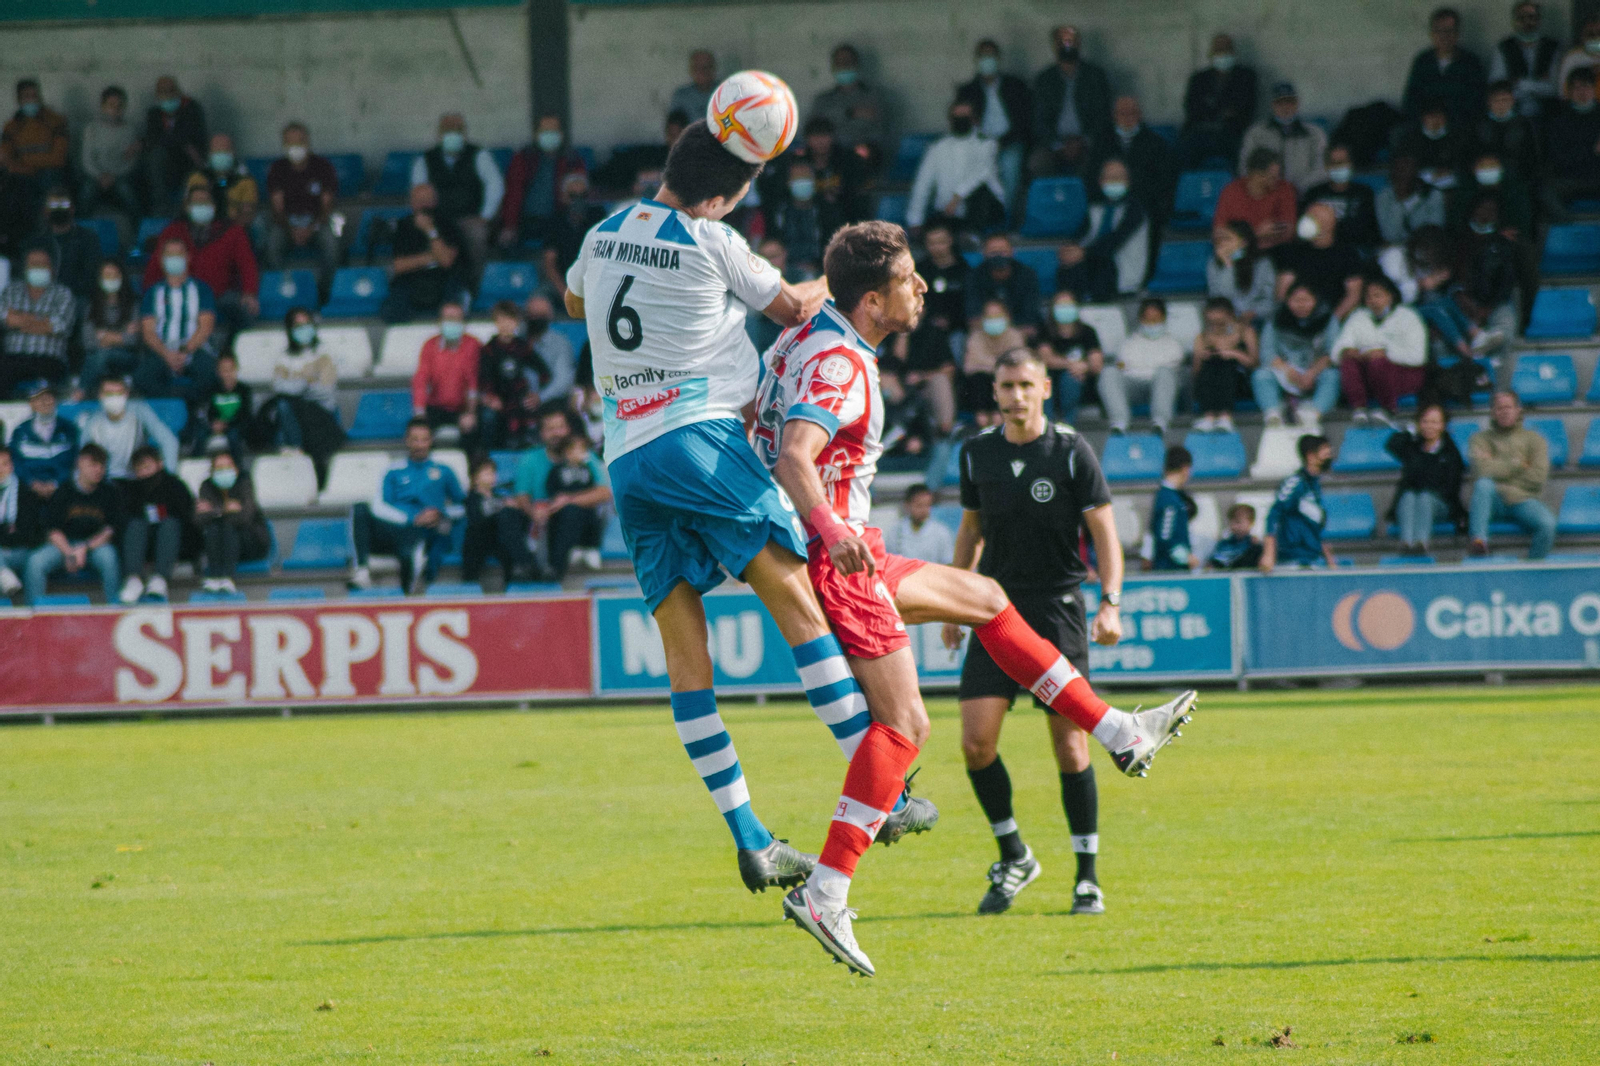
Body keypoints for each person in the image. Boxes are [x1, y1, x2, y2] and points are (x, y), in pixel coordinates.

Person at [760, 226, 1195, 972]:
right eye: (909, 280)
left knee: (987, 596)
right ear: (872, 300)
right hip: (838, 557)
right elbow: (796, 453)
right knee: (904, 727)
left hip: (836, 549)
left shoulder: (809, 335)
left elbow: (756, 423)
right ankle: (827, 891)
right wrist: (829, 530)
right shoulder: (836, 359)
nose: (924, 289)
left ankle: (1121, 731)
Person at [564, 119, 876, 896]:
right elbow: (795, 308)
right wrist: (844, 277)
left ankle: (752, 839)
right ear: (719, 197)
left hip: (626, 457)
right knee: (792, 594)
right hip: (698, 436)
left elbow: (575, 302)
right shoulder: (711, 240)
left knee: (684, 653)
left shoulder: (604, 232)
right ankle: (884, 787)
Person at [349, 418, 465, 594]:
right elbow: (379, 505)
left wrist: (440, 513)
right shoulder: (393, 470)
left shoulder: (444, 471)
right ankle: (362, 571)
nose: (419, 444)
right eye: (415, 439)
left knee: (411, 551)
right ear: (407, 440)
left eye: (424, 439)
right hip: (396, 527)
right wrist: (412, 518)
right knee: (360, 508)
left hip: (424, 531)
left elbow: (462, 506)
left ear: (431, 441)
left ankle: (410, 592)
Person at [143, 184, 259, 343]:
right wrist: (150, 297)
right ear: (187, 207)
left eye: (205, 202)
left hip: (220, 295)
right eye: (196, 203)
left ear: (214, 205)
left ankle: (230, 355)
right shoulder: (173, 231)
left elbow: (247, 264)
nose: (201, 207)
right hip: (181, 295)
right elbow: (155, 266)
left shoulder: (232, 232)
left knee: (245, 311)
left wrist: (249, 292)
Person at [410, 113, 503, 284]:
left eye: (457, 130)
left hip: (471, 219)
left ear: (465, 133)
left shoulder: (479, 155)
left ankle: (474, 285)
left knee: (477, 234)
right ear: (439, 134)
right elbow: (419, 192)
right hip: (437, 220)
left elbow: (495, 185)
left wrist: (484, 217)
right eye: (447, 130)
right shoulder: (425, 160)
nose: (452, 134)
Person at [25, 441, 121, 603]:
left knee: (109, 557)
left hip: (93, 547)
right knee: (35, 561)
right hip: (63, 545)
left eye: (101, 466)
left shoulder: (109, 492)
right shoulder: (64, 490)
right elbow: (52, 530)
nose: (98, 470)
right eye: (93, 465)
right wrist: (69, 552)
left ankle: (114, 608)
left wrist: (85, 548)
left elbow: (109, 531)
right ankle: (34, 614)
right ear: (80, 464)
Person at [1467, 391, 1555, 559]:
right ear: (1493, 412)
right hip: (1493, 500)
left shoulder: (1535, 440)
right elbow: (1482, 471)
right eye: (1499, 408)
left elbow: (1538, 477)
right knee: (1483, 485)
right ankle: (1479, 543)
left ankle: (1533, 569)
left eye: (1509, 407)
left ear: (1518, 410)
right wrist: (1517, 465)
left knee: (1548, 524)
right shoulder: (1479, 439)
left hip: (1523, 499)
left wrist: (1499, 472)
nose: (1505, 411)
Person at [955, 39, 1033, 220]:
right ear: (976, 59)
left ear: (998, 59)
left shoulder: (1016, 86)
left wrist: (1002, 142)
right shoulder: (967, 91)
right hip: (979, 144)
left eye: (991, 55)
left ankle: (1007, 218)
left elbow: (1024, 122)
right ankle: (971, 220)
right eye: (983, 56)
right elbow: (962, 125)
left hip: (1010, 142)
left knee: (1010, 165)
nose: (987, 60)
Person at [904, 100, 1005, 236]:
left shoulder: (987, 143)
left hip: (984, 211)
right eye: (957, 117)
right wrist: (915, 220)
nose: (960, 121)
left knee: (981, 193)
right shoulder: (938, 147)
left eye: (965, 117)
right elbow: (923, 184)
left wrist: (957, 197)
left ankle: (972, 235)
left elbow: (982, 172)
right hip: (949, 213)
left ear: (974, 119)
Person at [1335, 274, 1427, 423]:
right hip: (1369, 374)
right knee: (1348, 361)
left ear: (1390, 296)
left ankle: (1388, 409)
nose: (1373, 301)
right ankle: (1359, 409)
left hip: (1404, 374)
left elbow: (1418, 356)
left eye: (1378, 296)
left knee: (1378, 362)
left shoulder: (1408, 316)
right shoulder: (1358, 316)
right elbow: (1339, 348)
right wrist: (1350, 351)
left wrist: (1385, 353)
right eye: (1369, 297)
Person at [136, 237, 218, 404]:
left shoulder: (202, 289)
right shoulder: (153, 293)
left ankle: (190, 408)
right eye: (169, 255)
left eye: (178, 254)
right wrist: (167, 355)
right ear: (161, 259)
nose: (174, 259)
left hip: (195, 349)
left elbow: (205, 327)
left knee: (210, 374)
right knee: (141, 377)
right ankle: (170, 405)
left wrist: (185, 351)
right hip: (162, 350)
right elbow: (148, 332)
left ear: (188, 257)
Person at [1056, 158, 1148, 303]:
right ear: (1101, 181)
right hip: (1092, 269)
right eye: (1110, 178)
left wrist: (1083, 252)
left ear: (1128, 181)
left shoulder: (1136, 210)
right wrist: (1069, 250)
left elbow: (1114, 241)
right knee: (1069, 264)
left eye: (1119, 178)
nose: (1114, 181)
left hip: (1122, 276)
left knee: (1100, 260)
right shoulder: (1095, 208)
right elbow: (1079, 237)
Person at [264, 122, 339, 294]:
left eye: (300, 142)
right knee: (272, 244)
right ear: (284, 145)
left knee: (331, 244)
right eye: (291, 142)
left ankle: (323, 292)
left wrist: (311, 228)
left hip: (316, 223)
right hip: (286, 224)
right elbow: (277, 208)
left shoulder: (322, 167)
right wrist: (292, 229)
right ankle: (286, 290)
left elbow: (327, 206)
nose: (296, 147)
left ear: (308, 142)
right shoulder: (277, 169)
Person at [1029, 25, 1113, 178]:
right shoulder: (1044, 79)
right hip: (1054, 144)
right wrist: (1058, 145)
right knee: (1037, 163)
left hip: (1087, 143)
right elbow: (1038, 121)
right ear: (1054, 46)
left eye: (1071, 41)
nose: (1067, 45)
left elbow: (1103, 117)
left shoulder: (1095, 76)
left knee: (1098, 163)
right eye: (1062, 41)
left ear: (1079, 44)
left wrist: (1083, 142)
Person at [116, 443, 195, 604]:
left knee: (170, 524)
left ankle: (160, 579)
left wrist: (154, 514)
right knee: (136, 525)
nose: (144, 472)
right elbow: (125, 517)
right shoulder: (130, 489)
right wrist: (155, 514)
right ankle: (133, 580)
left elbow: (183, 515)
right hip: (141, 544)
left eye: (147, 466)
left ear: (159, 464)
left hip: (173, 544)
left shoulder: (175, 485)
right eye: (139, 469)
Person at [1254, 282, 1341, 426]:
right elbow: (1267, 352)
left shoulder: (1328, 319)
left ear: (1315, 300)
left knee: (1333, 376)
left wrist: (1312, 372)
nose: (1301, 305)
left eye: (1306, 300)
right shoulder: (1276, 318)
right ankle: (1273, 413)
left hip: (1315, 370)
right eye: (1296, 300)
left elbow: (1333, 352)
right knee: (1261, 375)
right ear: (1288, 301)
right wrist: (1288, 370)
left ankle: (1313, 412)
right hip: (1285, 370)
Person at [499, 113, 590, 251]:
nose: (550, 135)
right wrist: (510, 225)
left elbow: (579, 191)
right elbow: (513, 193)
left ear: (561, 134)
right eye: (545, 131)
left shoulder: (572, 159)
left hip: (559, 220)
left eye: (554, 131)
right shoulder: (523, 158)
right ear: (536, 134)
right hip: (526, 220)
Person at [1386, 402, 1465, 555]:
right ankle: (1406, 543)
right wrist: (1410, 431)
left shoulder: (1450, 452)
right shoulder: (1413, 446)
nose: (1429, 426)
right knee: (1408, 496)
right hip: (1413, 501)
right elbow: (1392, 445)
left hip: (1440, 504)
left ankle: (1421, 544)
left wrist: (1426, 485)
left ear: (1442, 425)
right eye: (1425, 421)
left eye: (1434, 422)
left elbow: (1451, 488)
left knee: (1424, 497)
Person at [382, 183, 466, 324]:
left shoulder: (448, 223)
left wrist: (430, 230)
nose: (423, 205)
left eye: (427, 200)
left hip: (443, 281)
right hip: (411, 282)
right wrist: (433, 257)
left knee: (454, 313)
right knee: (391, 313)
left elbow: (446, 261)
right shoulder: (403, 226)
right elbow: (398, 266)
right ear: (412, 203)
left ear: (435, 202)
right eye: (419, 201)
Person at [1100, 297, 1182, 435]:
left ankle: (1160, 421)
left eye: (1155, 320)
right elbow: (1122, 366)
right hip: (1134, 386)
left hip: (1160, 387)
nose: (1151, 324)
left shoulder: (1174, 345)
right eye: (1148, 320)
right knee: (1109, 372)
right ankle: (1119, 421)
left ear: (1164, 319)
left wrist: (1140, 368)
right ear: (1140, 319)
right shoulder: (1128, 343)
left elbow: (1169, 369)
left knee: (1165, 373)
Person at [1179, 33, 1258, 170]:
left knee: (1246, 153)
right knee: (1183, 150)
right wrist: (1222, 112)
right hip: (1201, 132)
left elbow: (1245, 108)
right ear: (1211, 53)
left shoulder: (1246, 76)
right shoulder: (1199, 79)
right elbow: (1192, 108)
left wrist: (1212, 109)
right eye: (1218, 50)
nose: (1222, 54)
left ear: (1233, 52)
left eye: (1226, 49)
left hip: (1233, 133)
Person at [477, 300, 550, 449]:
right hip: (498, 397)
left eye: (510, 320)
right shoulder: (489, 350)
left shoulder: (522, 347)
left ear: (517, 322)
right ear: (495, 323)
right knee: (489, 416)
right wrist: (490, 397)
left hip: (518, 396)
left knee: (533, 411)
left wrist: (536, 394)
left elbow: (544, 371)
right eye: (501, 320)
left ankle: (528, 447)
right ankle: (490, 451)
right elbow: (483, 379)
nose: (506, 325)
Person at [1, 247, 74, 393]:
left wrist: (19, 319)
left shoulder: (63, 294)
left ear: (52, 269)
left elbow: (58, 326)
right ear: (25, 268)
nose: (38, 268)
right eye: (33, 264)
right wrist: (42, 322)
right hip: (13, 357)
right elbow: (4, 319)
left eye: (42, 264)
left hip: (48, 359)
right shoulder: (11, 291)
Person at [1274, 202, 1364, 321]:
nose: (1306, 221)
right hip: (1298, 314)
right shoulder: (1294, 251)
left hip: (1333, 315)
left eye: (1314, 217)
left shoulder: (1347, 253)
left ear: (1330, 224)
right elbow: (1282, 290)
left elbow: (1354, 294)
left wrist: (1332, 320)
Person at [194, 449, 267, 594]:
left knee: (228, 525)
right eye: (219, 468)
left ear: (236, 468)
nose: (224, 471)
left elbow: (245, 518)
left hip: (250, 542)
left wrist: (214, 510)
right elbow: (198, 519)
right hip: (219, 544)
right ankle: (214, 577)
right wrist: (224, 509)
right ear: (212, 471)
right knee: (214, 527)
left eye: (228, 467)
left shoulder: (244, 483)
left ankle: (227, 577)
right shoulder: (207, 486)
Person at [1259, 434, 1335, 572]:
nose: (1330, 455)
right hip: (1291, 561)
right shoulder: (1295, 482)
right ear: (1311, 456)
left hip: (1311, 560)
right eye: (1325, 451)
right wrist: (1269, 553)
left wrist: (1329, 559)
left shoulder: (1315, 486)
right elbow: (1274, 513)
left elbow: (1314, 526)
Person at [461, 457, 541, 586]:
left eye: (493, 473)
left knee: (510, 521)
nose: (492, 477)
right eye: (487, 474)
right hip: (479, 539)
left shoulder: (500, 497)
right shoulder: (472, 498)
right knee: (505, 516)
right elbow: (477, 518)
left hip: (500, 539)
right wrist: (503, 506)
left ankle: (520, 572)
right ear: (475, 478)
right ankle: (526, 563)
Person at [79, 375, 178, 479]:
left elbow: (169, 441)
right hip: (105, 483)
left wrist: (169, 478)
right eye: (109, 394)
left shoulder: (140, 412)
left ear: (126, 394)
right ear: (100, 395)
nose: (114, 397)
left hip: (136, 479)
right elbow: (84, 458)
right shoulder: (92, 422)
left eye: (118, 393)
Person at [1402, 7, 1488, 127]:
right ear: (1432, 34)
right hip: (1426, 127)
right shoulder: (1423, 61)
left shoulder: (1471, 62)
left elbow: (1477, 102)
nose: (1444, 36)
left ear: (1457, 33)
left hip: (1459, 127)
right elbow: (1411, 99)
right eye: (1439, 31)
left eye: (1449, 30)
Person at [1238, 82, 1327, 193]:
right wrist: (1265, 186)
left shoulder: (1314, 133)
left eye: (1289, 102)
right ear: (1272, 105)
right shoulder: (1256, 133)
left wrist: (1297, 189)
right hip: (1265, 195)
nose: (1285, 107)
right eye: (1280, 103)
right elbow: (1245, 167)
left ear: (1297, 104)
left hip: (1304, 194)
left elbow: (1321, 168)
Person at [810, 44, 888, 170]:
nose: (844, 65)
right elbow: (815, 128)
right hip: (830, 154)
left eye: (848, 61)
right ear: (833, 67)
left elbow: (879, 126)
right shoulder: (823, 100)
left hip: (865, 154)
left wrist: (837, 116)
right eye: (839, 62)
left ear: (857, 64)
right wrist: (851, 112)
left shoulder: (874, 96)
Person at [411, 301, 480, 441]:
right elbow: (421, 380)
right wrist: (420, 413)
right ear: (440, 322)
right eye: (448, 319)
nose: (452, 323)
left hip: (463, 407)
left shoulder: (473, 345)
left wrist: (470, 413)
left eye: (456, 319)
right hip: (436, 407)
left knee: (473, 430)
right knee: (419, 433)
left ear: (463, 323)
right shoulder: (430, 346)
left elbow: (473, 383)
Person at [543, 432, 609, 576]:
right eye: (576, 449)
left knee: (594, 514)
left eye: (582, 450)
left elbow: (594, 492)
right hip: (564, 513)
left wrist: (572, 498)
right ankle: (560, 562)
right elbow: (553, 491)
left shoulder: (588, 470)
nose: (580, 453)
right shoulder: (557, 470)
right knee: (566, 517)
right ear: (567, 451)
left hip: (586, 511)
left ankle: (588, 547)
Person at [1034, 291, 1102, 423]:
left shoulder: (1087, 331)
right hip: (1052, 381)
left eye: (1068, 305)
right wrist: (1074, 364)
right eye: (1061, 306)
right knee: (1043, 379)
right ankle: (1048, 424)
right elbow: (1046, 358)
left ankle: (1067, 424)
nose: (1065, 309)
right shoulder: (1045, 331)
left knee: (1072, 378)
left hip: (1080, 383)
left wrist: (1085, 366)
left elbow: (1097, 363)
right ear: (1053, 309)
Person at [2, 79, 70, 211]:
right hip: (22, 172)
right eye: (27, 97)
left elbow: (58, 158)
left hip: (50, 172)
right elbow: (6, 158)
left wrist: (24, 162)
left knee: (52, 183)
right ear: (19, 100)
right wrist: (23, 167)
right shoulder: (11, 126)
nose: (32, 100)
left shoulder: (56, 121)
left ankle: (56, 224)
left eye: (35, 96)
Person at [1192, 296, 1257, 433]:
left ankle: (1225, 416)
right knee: (1213, 362)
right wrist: (1201, 355)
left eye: (1220, 323)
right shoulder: (1203, 337)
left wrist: (1234, 354)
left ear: (1231, 317)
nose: (1215, 326)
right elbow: (1196, 371)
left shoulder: (1245, 332)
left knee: (1225, 363)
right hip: (1211, 381)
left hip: (1238, 380)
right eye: (1211, 323)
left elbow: (1254, 363)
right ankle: (1209, 416)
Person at [78, 86, 140, 227]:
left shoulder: (130, 130)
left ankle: (136, 233)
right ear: (103, 106)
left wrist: (113, 176)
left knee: (129, 194)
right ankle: (82, 230)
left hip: (120, 176)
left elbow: (130, 161)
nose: (115, 109)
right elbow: (87, 159)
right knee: (86, 193)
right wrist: (100, 176)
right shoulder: (91, 129)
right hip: (95, 176)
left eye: (119, 105)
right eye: (111, 105)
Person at [1541, 69, 1600, 218]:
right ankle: (1571, 223)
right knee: (1545, 191)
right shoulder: (1558, 118)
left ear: (1594, 89)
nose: (1582, 92)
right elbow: (1557, 156)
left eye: (1586, 86)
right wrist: (1591, 150)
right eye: (1576, 87)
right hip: (1570, 178)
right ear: (1569, 91)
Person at [1301, 144, 1381, 251]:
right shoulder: (1314, 193)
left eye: (1342, 162)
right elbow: (1305, 230)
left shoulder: (1364, 193)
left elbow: (1368, 231)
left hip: (1352, 251)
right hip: (1318, 251)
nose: (1338, 166)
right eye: (1333, 163)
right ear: (1326, 165)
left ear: (1351, 164)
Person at [1214, 148, 1297, 251]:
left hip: (1274, 251)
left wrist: (1274, 232)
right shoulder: (1231, 191)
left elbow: (1289, 230)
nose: (1277, 179)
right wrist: (1256, 234)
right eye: (1272, 177)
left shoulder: (1284, 188)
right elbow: (1219, 233)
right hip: (1241, 251)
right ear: (1257, 175)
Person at [143, 76, 207, 209]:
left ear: (178, 91)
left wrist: (171, 139)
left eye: (171, 90)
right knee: (154, 158)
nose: (167, 95)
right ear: (157, 94)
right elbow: (152, 139)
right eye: (163, 91)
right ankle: (160, 209)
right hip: (167, 164)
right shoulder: (154, 113)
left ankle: (186, 211)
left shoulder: (192, 108)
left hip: (189, 161)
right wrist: (179, 141)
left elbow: (192, 135)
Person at [1490, 1, 1561, 117]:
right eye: (1521, 17)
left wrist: (1521, 84)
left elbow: (1555, 88)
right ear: (1514, 21)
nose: (1526, 22)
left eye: (1531, 17)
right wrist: (1539, 85)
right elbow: (1497, 86)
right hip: (1513, 115)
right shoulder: (1503, 48)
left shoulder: (1553, 47)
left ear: (1539, 20)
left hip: (1549, 114)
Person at [9, 380, 76, 500]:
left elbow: (74, 460)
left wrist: (56, 483)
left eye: (48, 397)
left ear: (55, 400)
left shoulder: (69, 429)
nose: (44, 402)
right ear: (31, 403)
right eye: (39, 398)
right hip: (28, 490)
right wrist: (31, 482)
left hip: (61, 490)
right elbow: (15, 461)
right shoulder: (20, 431)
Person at [34, 187, 101, 307]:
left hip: (76, 297)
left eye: (63, 204)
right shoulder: (37, 241)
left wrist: (62, 292)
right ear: (45, 211)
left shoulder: (88, 239)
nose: (58, 209)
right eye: (53, 205)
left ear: (72, 209)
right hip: (42, 297)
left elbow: (91, 277)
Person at [965, 232, 1041, 336]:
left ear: (1012, 252)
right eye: (993, 252)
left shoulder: (1027, 275)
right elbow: (974, 317)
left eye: (1003, 251)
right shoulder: (974, 276)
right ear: (984, 253)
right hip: (986, 332)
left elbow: (1030, 316)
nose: (998, 255)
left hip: (1020, 332)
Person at [1391, 98, 1472, 192]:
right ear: (1423, 118)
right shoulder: (1410, 138)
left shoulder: (1459, 137)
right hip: (1418, 183)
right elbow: (1403, 165)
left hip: (1450, 182)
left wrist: (1451, 171)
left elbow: (1465, 162)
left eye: (1439, 116)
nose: (1435, 120)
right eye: (1430, 116)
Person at [961, 300, 1025, 413]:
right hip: (981, 385)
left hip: (1007, 384)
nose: (993, 320)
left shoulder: (1015, 336)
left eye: (997, 316)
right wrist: (1000, 365)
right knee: (980, 380)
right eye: (989, 316)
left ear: (1007, 317)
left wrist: (985, 364)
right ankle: (981, 419)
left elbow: (1017, 365)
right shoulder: (975, 337)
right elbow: (969, 367)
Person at [1206, 220, 1275, 325]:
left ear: (1243, 242)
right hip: (1225, 319)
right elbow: (1219, 298)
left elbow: (1270, 300)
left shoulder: (1262, 263)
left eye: (1228, 239)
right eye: (1222, 239)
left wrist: (1254, 312)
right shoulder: (1214, 263)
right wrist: (1228, 265)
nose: (1222, 243)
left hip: (1256, 317)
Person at [187, 132, 259, 232]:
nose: (220, 155)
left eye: (224, 151)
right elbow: (187, 208)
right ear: (209, 153)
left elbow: (248, 212)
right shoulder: (197, 178)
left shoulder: (245, 180)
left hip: (234, 229)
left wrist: (227, 233)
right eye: (216, 151)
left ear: (233, 152)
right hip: (200, 228)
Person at [0, 448, 46, 600]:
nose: (0, 469)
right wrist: (8, 532)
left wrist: (7, 535)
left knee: (36, 562)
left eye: (5, 464)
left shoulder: (25, 492)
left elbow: (30, 533)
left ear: (12, 466)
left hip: (22, 550)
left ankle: (36, 613)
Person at [193, 350, 253, 459]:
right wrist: (213, 423)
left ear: (236, 369)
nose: (227, 374)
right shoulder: (212, 390)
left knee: (233, 435)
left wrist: (227, 424)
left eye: (231, 369)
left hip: (235, 425)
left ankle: (238, 466)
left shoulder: (244, 390)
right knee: (200, 434)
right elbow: (208, 410)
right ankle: (196, 463)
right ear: (218, 372)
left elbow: (245, 414)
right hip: (216, 424)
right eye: (224, 370)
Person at [1375, 153, 1446, 246]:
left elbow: (1435, 231)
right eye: (1398, 166)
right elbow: (1390, 235)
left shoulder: (1433, 195)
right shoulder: (1383, 197)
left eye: (1407, 164)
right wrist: (1400, 199)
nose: (1402, 170)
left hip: (1425, 248)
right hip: (1396, 249)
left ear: (1417, 169)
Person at [1149, 445, 1197, 571]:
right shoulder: (1169, 501)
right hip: (1169, 570)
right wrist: (1185, 558)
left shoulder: (1174, 497)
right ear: (1185, 468)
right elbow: (1165, 538)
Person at [881, 483, 953, 564]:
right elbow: (888, 561)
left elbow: (947, 562)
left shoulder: (941, 532)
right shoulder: (895, 531)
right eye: (919, 505)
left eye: (927, 505)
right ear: (907, 505)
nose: (924, 510)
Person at [524, 293, 576, 401]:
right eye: (532, 314)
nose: (535, 318)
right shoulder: (516, 341)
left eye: (540, 315)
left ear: (550, 316)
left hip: (549, 401)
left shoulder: (560, 343)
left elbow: (562, 381)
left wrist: (540, 398)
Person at [1555, 15, 1600, 98]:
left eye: (1599, 33)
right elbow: (1562, 92)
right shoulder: (1572, 58)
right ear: (1582, 36)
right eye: (1590, 34)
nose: (1595, 37)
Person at [1208, 502, 1263, 569]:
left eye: (1238, 522)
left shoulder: (1254, 546)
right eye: (1231, 522)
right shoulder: (1223, 544)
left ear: (1251, 523)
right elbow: (1216, 559)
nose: (1234, 526)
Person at [669, 49, 717, 121]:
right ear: (691, 70)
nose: (702, 71)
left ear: (714, 69)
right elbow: (674, 128)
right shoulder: (681, 96)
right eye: (697, 68)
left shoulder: (726, 93)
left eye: (706, 67)